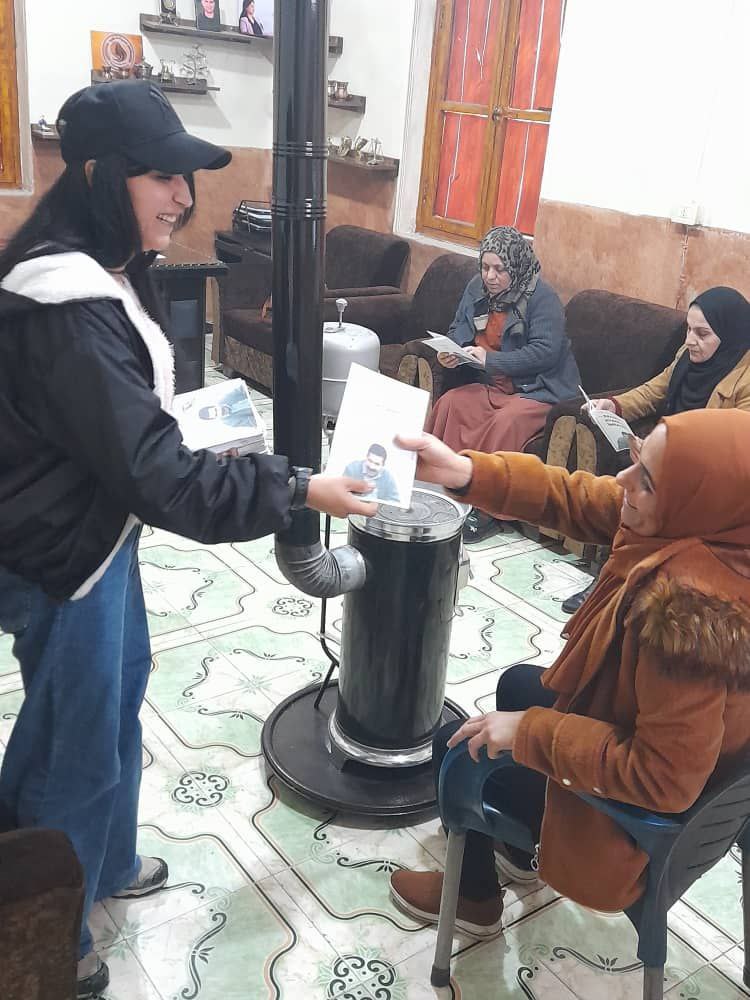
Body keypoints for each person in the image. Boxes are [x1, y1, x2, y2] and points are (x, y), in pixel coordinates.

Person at [0, 81, 376, 999]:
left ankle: (102, 861)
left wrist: (206, 432)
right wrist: (296, 488)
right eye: (161, 177)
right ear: (100, 176)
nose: (182, 197)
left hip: (96, 535)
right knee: (73, 735)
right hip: (63, 554)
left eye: (185, 178)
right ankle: (45, 928)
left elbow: (132, 425)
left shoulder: (108, 265)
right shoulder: (65, 303)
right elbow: (157, 475)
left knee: (115, 696)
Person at [389, 410, 750, 934]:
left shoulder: (689, 622)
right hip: (674, 776)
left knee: (457, 744)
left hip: (624, 838)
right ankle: (518, 853)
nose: (623, 480)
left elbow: (662, 779)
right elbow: (576, 497)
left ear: (694, 501)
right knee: (519, 683)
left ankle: (474, 897)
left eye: (647, 480)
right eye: (636, 457)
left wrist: (531, 733)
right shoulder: (710, 535)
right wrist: (464, 472)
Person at [562, 285, 750, 614]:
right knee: (632, 490)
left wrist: (668, 455)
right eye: (688, 330)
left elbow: (733, 447)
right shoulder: (686, 356)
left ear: (731, 335)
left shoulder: (745, 381)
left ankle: (624, 583)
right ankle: (611, 579)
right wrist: (615, 405)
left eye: (702, 334)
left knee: (649, 494)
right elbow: (656, 389)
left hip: (709, 478)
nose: (690, 340)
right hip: (668, 451)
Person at [425, 226, 580, 542]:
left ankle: (488, 509)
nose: (490, 276)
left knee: (506, 422)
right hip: (494, 384)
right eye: (485, 267)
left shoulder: (543, 298)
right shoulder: (477, 288)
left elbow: (545, 353)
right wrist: (452, 352)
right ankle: (445, 486)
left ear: (516, 265)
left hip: (538, 390)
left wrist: (491, 360)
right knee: (453, 403)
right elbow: (458, 328)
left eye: (499, 269)